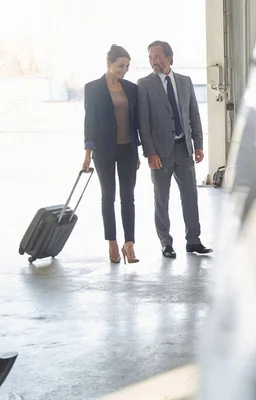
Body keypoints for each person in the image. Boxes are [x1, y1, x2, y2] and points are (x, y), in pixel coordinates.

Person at [137, 40, 212, 258]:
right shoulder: (145, 84)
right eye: (150, 57)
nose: (154, 61)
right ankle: (165, 243)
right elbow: (143, 122)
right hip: (160, 153)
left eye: (158, 56)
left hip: (184, 149)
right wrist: (150, 152)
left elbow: (193, 116)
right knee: (162, 198)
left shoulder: (185, 82)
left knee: (190, 196)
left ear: (170, 57)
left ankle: (193, 241)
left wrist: (198, 145)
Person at [82, 44, 141, 264]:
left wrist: (139, 150)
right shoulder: (93, 88)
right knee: (108, 197)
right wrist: (88, 153)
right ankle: (112, 243)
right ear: (108, 63)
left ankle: (130, 244)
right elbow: (90, 123)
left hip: (127, 149)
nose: (124, 70)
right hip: (104, 151)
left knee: (128, 197)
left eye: (127, 66)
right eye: (120, 66)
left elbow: (137, 122)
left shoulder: (131, 88)